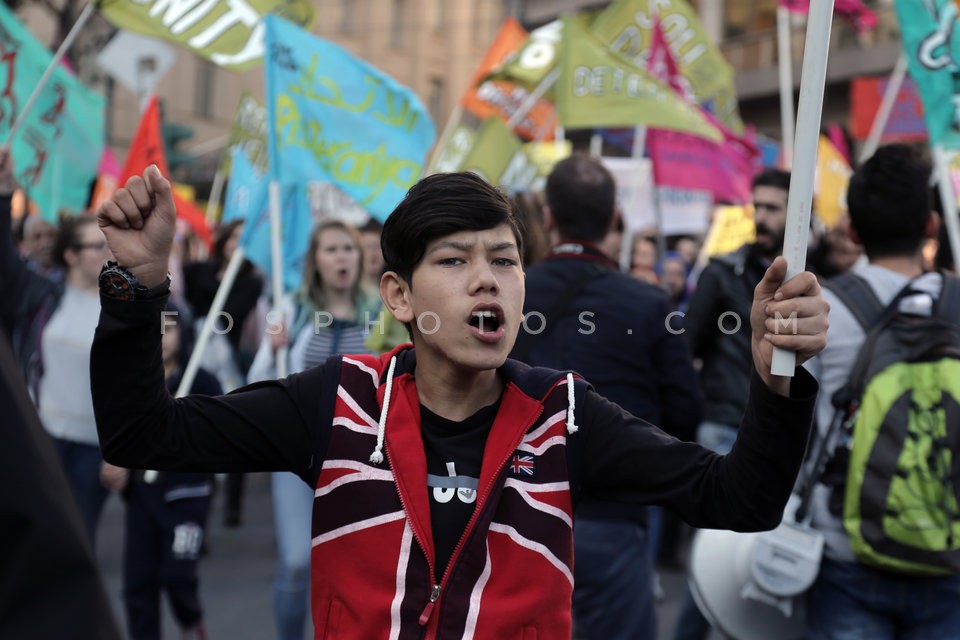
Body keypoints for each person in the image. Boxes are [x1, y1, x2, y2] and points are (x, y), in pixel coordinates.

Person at [93, 165, 827, 639]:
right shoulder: (342, 401)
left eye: (504, 261)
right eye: (455, 261)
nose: (488, 281)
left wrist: (779, 381)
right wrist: (136, 287)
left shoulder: (564, 416)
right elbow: (143, 434)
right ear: (400, 295)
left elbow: (742, 500)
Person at [512, 153, 702, 639]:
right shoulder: (648, 302)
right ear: (614, 217)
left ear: (548, 217)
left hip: (517, 513)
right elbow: (686, 411)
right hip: (617, 513)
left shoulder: (508, 295)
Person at [803, 144, 960, 639]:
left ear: (852, 230)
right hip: (949, 548)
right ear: (931, 225)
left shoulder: (821, 310)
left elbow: (787, 428)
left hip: (845, 548)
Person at [0, 158, 122, 640]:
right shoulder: (40, 297)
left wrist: (122, 451)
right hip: (43, 442)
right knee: (30, 549)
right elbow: (4, 263)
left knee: (75, 550)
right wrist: (3, 195)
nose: (104, 253)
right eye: (95, 246)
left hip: (94, 449)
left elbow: (140, 384)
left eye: (106, 246)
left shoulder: (124, 307)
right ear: (71, 255)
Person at [672, 167, 792, 640]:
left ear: (795, 212)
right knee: (713, 571)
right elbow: (687, 350)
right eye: (756, 206)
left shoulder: (814, 278)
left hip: (789, 434)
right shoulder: (722, 273)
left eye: (772, 208)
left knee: (773, 570)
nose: (761, 217)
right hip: (725, 426)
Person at [247, 219, 380, 640]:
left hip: (365, 458)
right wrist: (271, 349)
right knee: (296, 562)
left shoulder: (382, 310)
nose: (342, 257)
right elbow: (257, 385)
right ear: (315, 261)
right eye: (331, 249)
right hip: (300, 454)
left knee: (360, 566)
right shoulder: (292, 309)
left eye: (348, 248)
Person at [120, 301, 219, 640]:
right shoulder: (132, 382)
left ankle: (190, 620)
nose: (160, 338)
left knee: (177, 575)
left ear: (183, 332)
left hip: (187, 496)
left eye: (169, 328)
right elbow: (117, 432)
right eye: (152, 331)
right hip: (144, 496)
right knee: (139, 582)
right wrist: (116, 462)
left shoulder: (202, 381)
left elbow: (219, 437)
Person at [182, 219, 264, 527]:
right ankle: (198, 505)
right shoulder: (199, 270)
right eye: (233, 238)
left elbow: (229, 312)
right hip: (196, 363)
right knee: (196, 430)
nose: (237, 245)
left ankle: (232, 502)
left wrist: (212, 285)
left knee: (233, 428)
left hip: (229, 363)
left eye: (244, 240)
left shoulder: (250, 281)